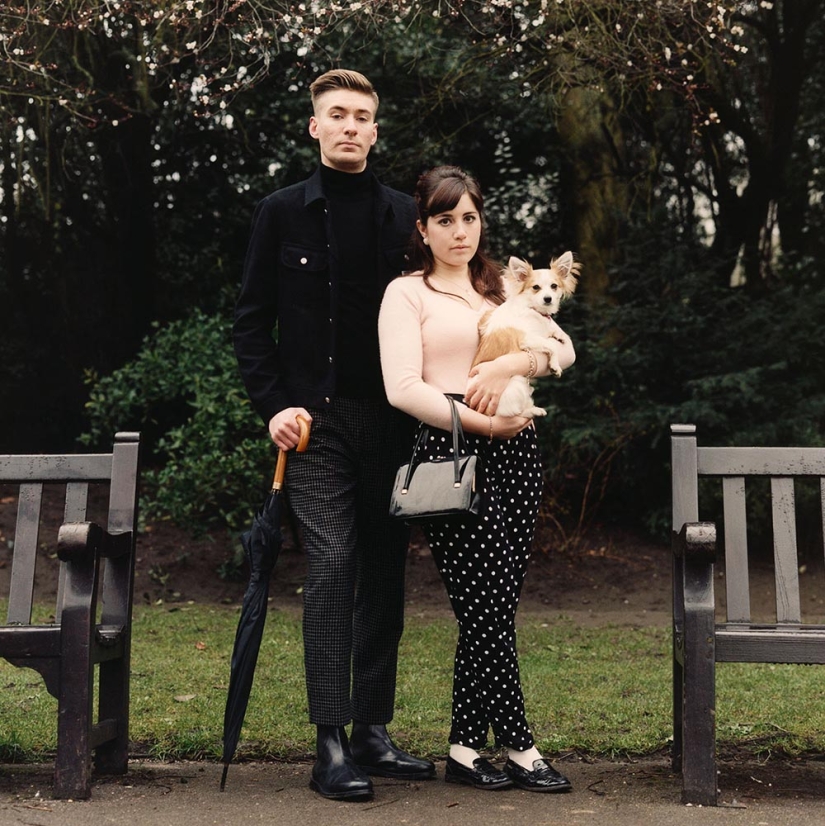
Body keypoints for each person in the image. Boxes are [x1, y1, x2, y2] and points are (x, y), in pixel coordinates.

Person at [233, 69, 435, 802]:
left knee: (384, 569)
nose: (350, 126)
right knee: (333, 564)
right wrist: (273, 408)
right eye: (337, 115)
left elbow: (438, 305)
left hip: (392, 420)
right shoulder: (280, 212)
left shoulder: (403, 215)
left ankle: (374, 732)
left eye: (363, 116)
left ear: (376, 130)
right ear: (315, 127)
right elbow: (251, 322)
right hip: (313, 425)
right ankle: (329, 742)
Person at [378, 165, 576, 792]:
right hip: (450, 452)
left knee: (494, 606)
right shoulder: (406, 294)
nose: (459, 231)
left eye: (468, 217)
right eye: (445, 220)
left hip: (519, 456)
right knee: (483, 607)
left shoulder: (500, 291)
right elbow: (402, 387)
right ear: (423, 228)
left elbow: (564, 350)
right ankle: (520, 746)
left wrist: (514, 362)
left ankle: (465, 750)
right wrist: (480, 420)